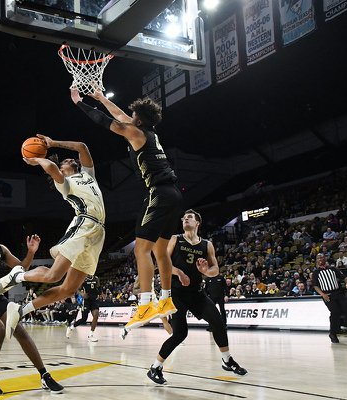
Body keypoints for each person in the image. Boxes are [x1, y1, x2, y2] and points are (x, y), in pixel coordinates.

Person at [71, 87, 182, 329]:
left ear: (138, 120)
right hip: (174, 195)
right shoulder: (148, 133)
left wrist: (80, 102)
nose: (128, 117)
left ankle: (144, 305)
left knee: (141, 250)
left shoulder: (135, 133)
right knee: (161, 252)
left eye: (133, 116)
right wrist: (101, 98)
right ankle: (165, 300)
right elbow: (121, 115)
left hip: (158, 193)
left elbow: (106, 121)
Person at [0, 135, 106, 339]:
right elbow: (52, 169)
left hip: (99, 233)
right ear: (62, 170)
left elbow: (82, 146)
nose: (67, 161)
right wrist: (36, 159)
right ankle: (17, 275)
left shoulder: (88, 175)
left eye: (67, 161)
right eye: (63, 162)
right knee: (53, 276)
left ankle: (21, 310)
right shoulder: (64, 183)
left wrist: (53, 143)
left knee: (67, 290)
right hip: (84, 223)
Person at [0, 217, 63, 396]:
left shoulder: (1, 249)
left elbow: (20, 269)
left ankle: (44, 374)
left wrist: (31, 252)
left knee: (21, 331)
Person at [147, 209, 247, 385]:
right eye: (184, 217)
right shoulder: (175, 239)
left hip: (196, 293)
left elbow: (216, 268)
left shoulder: (206, 245)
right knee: (180, 334)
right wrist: (179, 273)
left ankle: (227, 360)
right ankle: (155, 367)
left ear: (197, 223)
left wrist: (206, 271)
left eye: (190, 217)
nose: (185, 219)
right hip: (176, 293)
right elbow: (162, 263)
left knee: (217, 322)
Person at [311, 253, 347, 343]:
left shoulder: (333, 269)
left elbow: (344, 277)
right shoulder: (316, 272)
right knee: (335, 313)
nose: (320, 259)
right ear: (316, 260)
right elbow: (315, 286)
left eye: (322, 257)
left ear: (325, 258)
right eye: (318, 257)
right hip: (327, 295)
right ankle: (333, 333)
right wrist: (322, 294)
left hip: (338, 293)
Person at [67, 275, 100, 341]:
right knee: (84, 319)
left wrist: (100, 294)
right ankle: (71, 327)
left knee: (96, 315)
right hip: (86, 301)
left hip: (94, 300)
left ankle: (91, 335)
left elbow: (99, 287)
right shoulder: (83, 278)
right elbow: (77, 289)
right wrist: (82, 294)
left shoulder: (96, 278)